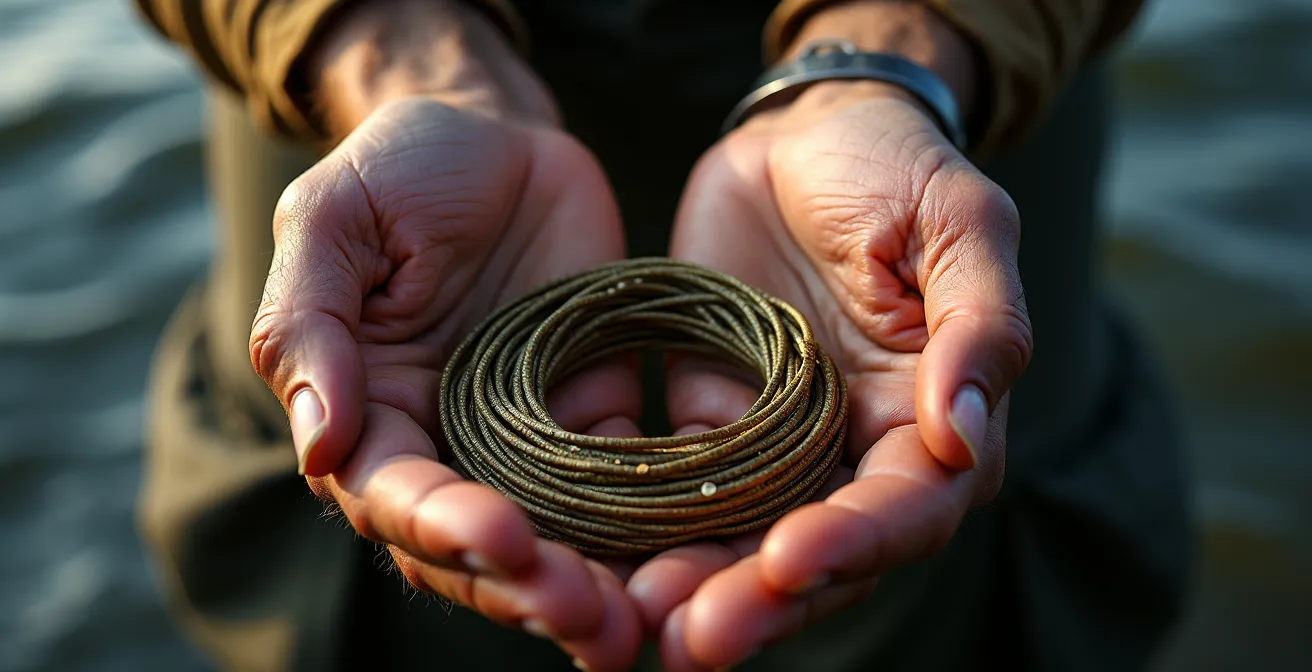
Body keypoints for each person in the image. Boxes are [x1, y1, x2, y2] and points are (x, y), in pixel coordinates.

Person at [133, 1, 1192, 670]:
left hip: (949, 86)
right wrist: (393, 48)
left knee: (948, 578)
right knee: (391, 582)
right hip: (375, 94)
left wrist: (905, 51)